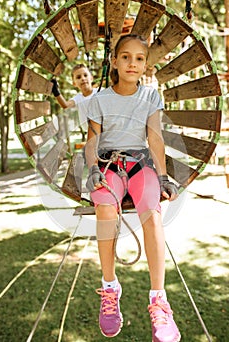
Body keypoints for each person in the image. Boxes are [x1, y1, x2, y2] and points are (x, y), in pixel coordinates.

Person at [85, 34, 181, 342]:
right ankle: (110, 288)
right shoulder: (98, 100)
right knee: (104, 207)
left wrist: (163, 176)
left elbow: (154, 138)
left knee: (152, 213)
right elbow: (92, 141)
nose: (132, 63)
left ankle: (159, 300)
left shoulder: (151, 97)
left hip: (140, 166)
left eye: (139, 58)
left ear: (146, 65)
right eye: (126, 57)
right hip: (109, 166)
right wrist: (92, 169)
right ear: (114, 61)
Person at [51, 64, 99, 132]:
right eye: (78, 77)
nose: (83, 78)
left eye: (85, 75)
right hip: (89, 133)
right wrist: (56, 92)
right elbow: (65, 105)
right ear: (74, 83)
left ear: (91, 78)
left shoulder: (100, 92)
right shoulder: (78, 98)